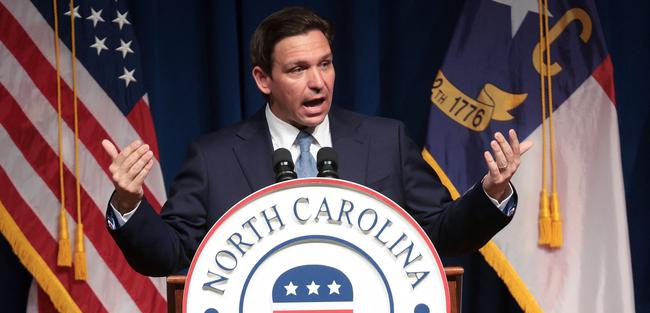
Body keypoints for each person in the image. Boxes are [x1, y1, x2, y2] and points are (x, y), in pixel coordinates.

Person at [102, 7, 532, 276]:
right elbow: (171, 256)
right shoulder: (214, 157)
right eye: (297, 69)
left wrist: (491, 193)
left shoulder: (387, 141)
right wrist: (127, 203)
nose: (317, 83)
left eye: (325, 64)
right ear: (262, 79)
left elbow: (439, 233)